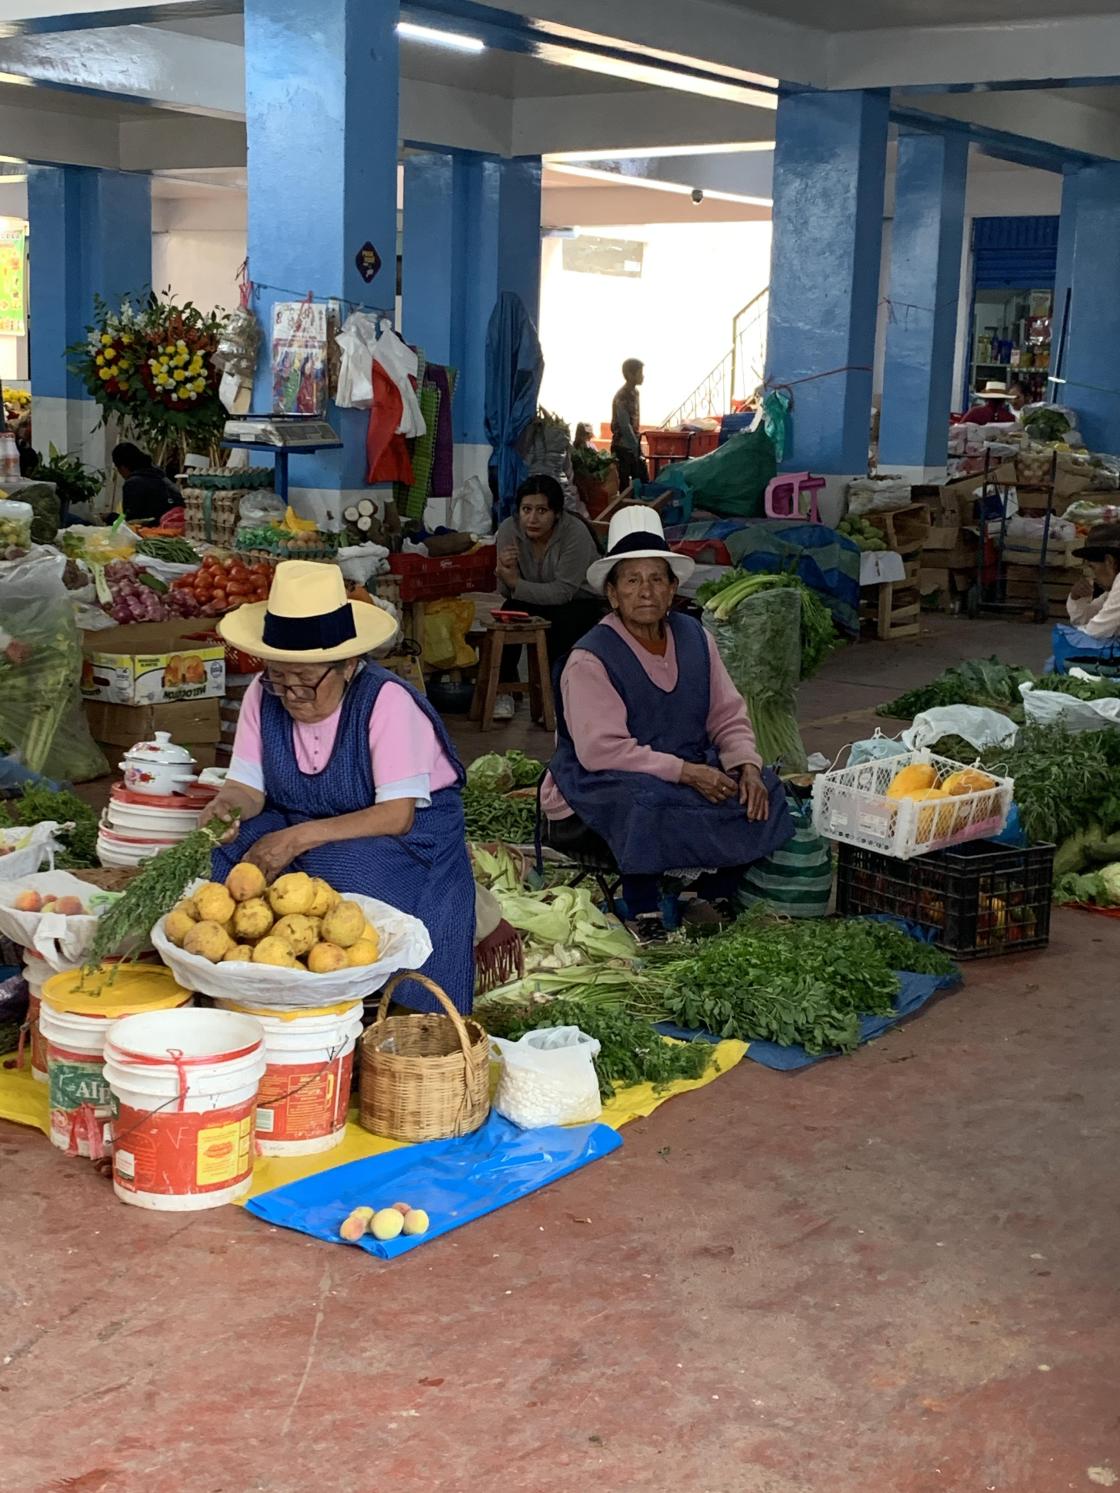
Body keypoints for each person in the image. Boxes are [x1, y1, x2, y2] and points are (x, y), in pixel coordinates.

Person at [208, 560, 476, 1013]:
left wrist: (295, 839)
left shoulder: (387, 702)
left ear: (348, 665)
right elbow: (247, 789)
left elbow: (397, 814)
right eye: (280, 676)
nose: (291, 694)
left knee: (345, 874)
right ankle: (250, 988)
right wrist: (225, 807)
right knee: (226, 858)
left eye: (307, 680)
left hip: (406, 836)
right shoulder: (262, 692)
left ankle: (373, 1006)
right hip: (302, 821)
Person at [542, 508, 794, 929]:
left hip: (679, 766)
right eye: (632, 580)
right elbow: (601, 750)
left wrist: (746, 765)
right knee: (647, 799)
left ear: (673, 588)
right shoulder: (591, 657)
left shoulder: (695, 637)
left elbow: (727, 714)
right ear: (613, 593)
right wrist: (687, 773)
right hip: (597, 785)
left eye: (657, 579)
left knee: (764, 787)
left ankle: (711, 896)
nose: (646, 591)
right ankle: (644, 909)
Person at [492, 474, 604, 722]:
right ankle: (504, 691)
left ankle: (556, 697)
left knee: (562, 623)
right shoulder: (509, 531)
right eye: (526, 509)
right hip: (534, 597)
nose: (532, 518)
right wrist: (504, 575)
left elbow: (563, 591)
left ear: (556, 513)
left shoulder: (575, 533)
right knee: (508, 610)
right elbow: (508, 590)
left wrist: (514, 582)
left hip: (579, 600)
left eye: (542, 510)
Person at [1067, 523, 1120, 639]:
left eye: (1093, 567)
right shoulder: (1112, 592)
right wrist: (1076, 598)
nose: (1093, 576)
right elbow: (1085, 619)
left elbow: (1093, 632)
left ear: (1109, 561)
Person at [111, 442, 181, 525]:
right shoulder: (159, 475)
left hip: (153, 532)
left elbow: (130, 522)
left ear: (122, 467)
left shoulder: (133, 483)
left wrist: (110, 518)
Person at [611, 358, 649, 489]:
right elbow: (624, 425)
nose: (642, 376)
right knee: (624, 486)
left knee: (643, 481)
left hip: (634, 444)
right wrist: (634, 447)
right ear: (630, 375)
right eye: (640, 373)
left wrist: (637, 446)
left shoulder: (635, 393)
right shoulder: (622, 396)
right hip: (623, 446)